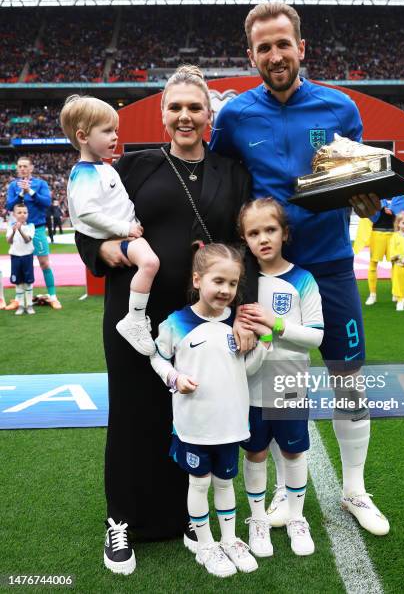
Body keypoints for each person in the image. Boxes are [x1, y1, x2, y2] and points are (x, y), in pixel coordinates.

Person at [210, 2, 389, 536]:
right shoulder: (236, 116)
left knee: (347, 377)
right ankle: (291, 499)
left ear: (301, 48)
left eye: (282, 44)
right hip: (270, 275)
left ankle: (354, 489)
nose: (274, 55)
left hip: (330, 268)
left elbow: (363, 191)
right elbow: (224, 185)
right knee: (280, 386)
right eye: (263, 48)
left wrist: (368, 202)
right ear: (251, 56)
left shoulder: (340, 108)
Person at [74, 65, 258, 574]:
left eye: (194, 107)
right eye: (174, 107)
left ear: (209, 114)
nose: (184, 116)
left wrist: (243, 312)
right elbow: (87, 225)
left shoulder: (232, 172)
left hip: (205, 326)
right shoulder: (132, 168)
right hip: (136, 319)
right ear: (161, 115)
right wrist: (111, 250)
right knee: (134, 415)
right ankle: (123, 521)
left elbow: (245, 246)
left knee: (195, 417)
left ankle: (187, 518)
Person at [151, 243, 269, 578]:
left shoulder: (238, 323)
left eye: (232, 284)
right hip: (194, 425)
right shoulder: (176, 322)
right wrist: (174, 377)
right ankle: (206, 545)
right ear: (197, 278)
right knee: (199, 484)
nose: (225, 290)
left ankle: (230, 539)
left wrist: (264, 345)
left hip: (230, 424)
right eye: (218, 281)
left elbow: (245, 368)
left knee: (225, 483)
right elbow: (156, 357)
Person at [238, 197, 323, 557]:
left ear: (285, 233)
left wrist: (275, 325)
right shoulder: (241, 282)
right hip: (249, 387)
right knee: (255, 452)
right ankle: (257, 520)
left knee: (292, 451)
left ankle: (295, 518)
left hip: (289, 386)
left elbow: (316, 336)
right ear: (245, 240)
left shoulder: (302, 280)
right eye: (254, 233)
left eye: (270, 229)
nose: (263, 238)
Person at [61, 95, 160, 356]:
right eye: (106, 131)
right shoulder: (84, 173)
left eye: (115, 130)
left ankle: (136, 317)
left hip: (126, 235)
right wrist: (123, 228)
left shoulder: (103, 168)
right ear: (83, 136)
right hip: (122, 238)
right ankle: (135, 319)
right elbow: (86, 214)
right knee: (150, 263)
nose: (115, 136)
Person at [6, 157, 62, 310]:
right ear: (17, 169)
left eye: (25, 166)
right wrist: (21, 195)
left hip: (37, 229)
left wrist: (30, 191)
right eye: (20, 166)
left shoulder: (40, 184)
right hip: (19, 230)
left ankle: (53, 296)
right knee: (20, 264)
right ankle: (19, 299)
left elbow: (47, 203)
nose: (22, 169)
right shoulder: (13, 185)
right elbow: (10, 206)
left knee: (44, 263)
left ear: (31, 168)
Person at [364, 195, 404, 306]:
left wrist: (393, 213)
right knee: (373, 263)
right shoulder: (376, 195)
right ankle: (372, 294)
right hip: (377, 233)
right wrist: (382, 208)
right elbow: (370, 213)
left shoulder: (401, 196)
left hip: (393, 235)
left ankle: (396, 292)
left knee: (395, 264)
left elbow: (403, 217)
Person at [6, 202, 35, 315]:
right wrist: (13, 231)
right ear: (14, 214)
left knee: (28, 282)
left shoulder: (30, 226)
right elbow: (9, 241)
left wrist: (20, 230)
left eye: (25, 212)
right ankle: (21, 305)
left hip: (27, 257)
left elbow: (28, 240)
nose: (22, 214)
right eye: (19, 212)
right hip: (15, 257)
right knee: (18, 282)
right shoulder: (10, 226)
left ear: (27, 214)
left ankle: (29, 305)